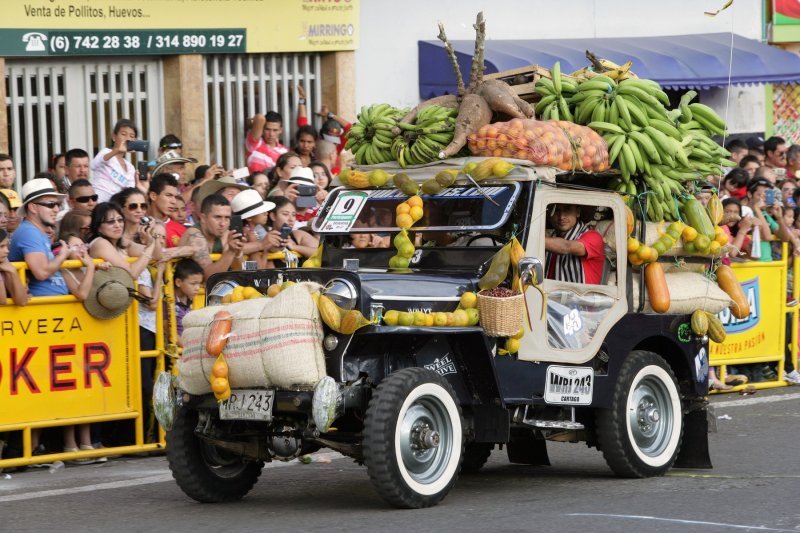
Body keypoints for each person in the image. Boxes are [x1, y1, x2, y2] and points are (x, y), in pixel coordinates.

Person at [177, 194, 245, 279]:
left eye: (227, 218)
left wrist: (237, 253)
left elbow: (241, 272)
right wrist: (230, 251)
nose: (223, 223)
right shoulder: (194, 235)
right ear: (203, 218)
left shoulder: (227, 235)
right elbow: (209, 277)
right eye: (217, 217)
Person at [87, 202, 159, 280]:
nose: (117, 225)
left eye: (120, 220)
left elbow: (157, 255)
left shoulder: (122, 242)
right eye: (111, 222)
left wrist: (152, 233)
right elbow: (131, 273)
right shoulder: (100, 243)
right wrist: (150, 245)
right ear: (99, 228)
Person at [544, 204, 604, 284]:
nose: (561, 217)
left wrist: (535, 239)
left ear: (578, 212)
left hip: (582, 296)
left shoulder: (593, 237)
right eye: (556, 210)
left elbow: (566, 246)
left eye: (567, 209)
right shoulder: (551, 243)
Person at [91, 119, 141, 202]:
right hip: (98, 202)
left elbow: (128, 193)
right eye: (124, 134)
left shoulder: (130, 167)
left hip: (115, 207)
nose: (128, 138)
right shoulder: (106, 152)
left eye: (132, 136)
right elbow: (93, 165)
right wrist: (116, 151)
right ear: (114, 137)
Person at [264, 197, 319, 263]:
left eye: (293, 215)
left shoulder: (298, 234)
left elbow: (321, 252)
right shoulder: (264, 237)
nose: (291, 219)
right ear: (273, 216)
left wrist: (294, 247)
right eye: (285, 214)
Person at [230, 188, 276, 268]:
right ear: (249, 218)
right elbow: (259, 268)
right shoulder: (248, 234)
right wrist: (263, 247)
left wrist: (265, 250)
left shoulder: (255, 231)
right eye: (261, 211)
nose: (266, 213)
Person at [171, 258, 204, 339]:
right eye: (193, 284)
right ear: (178, 282)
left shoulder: (192, 300)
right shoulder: (169, 301)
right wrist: (187, 347)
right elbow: (169, 332)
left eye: (199, 283)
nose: (197, 288)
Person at [0, 228, 29, 306]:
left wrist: (13, 271)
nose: (7, 251)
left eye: (7, 246)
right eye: (1, 246)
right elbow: (2, 300)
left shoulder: (4, 261)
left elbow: (22, 301)